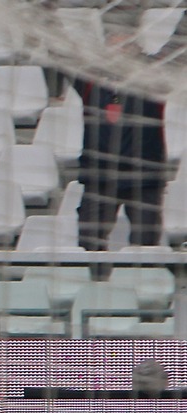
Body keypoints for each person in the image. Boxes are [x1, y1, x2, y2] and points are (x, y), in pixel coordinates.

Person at [74, 34, 169, 252]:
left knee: (147, 245)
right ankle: (95, 275)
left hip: (145, 177)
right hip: (100, 175)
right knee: (89, 243)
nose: (120, 49)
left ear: (137, 47)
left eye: (126, 44)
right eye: (115, 44)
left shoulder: (153, 78)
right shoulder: (90, 79)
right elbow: (60, 51)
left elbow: (176, 48)